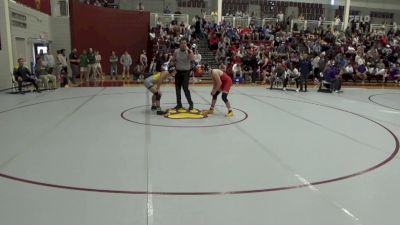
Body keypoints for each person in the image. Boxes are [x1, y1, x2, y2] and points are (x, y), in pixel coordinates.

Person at [171, 39, 194, 110]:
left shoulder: (189, 51)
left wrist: (190, 53)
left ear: (186, 44)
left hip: (186, 72)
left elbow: (192, 59)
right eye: (182, 43)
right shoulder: (176, 51)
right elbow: (173, 60)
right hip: (178, 72)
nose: (183, 44)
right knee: (177, 89)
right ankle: (179, 104)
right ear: (179, 44)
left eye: (185, 43)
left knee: (185, 89)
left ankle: (191, 104)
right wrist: (173, 67)